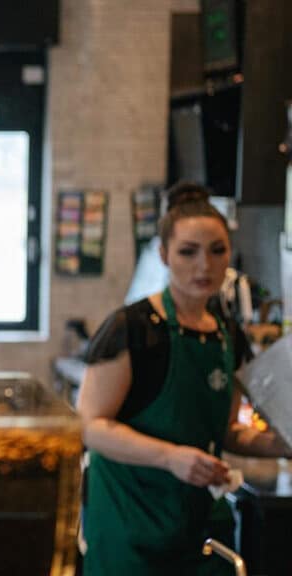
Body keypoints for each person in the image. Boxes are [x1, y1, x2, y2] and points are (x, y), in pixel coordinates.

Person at [78, 182, 292, 575]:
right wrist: (170, 457)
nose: (204, 266)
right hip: (130, 523)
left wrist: (284, 444)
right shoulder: (134, 328)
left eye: (217, 251)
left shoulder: (226, 332)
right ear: (163, 255)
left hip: (194, 526)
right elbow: (91, 426)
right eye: (187, 252)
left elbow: (227, 431)